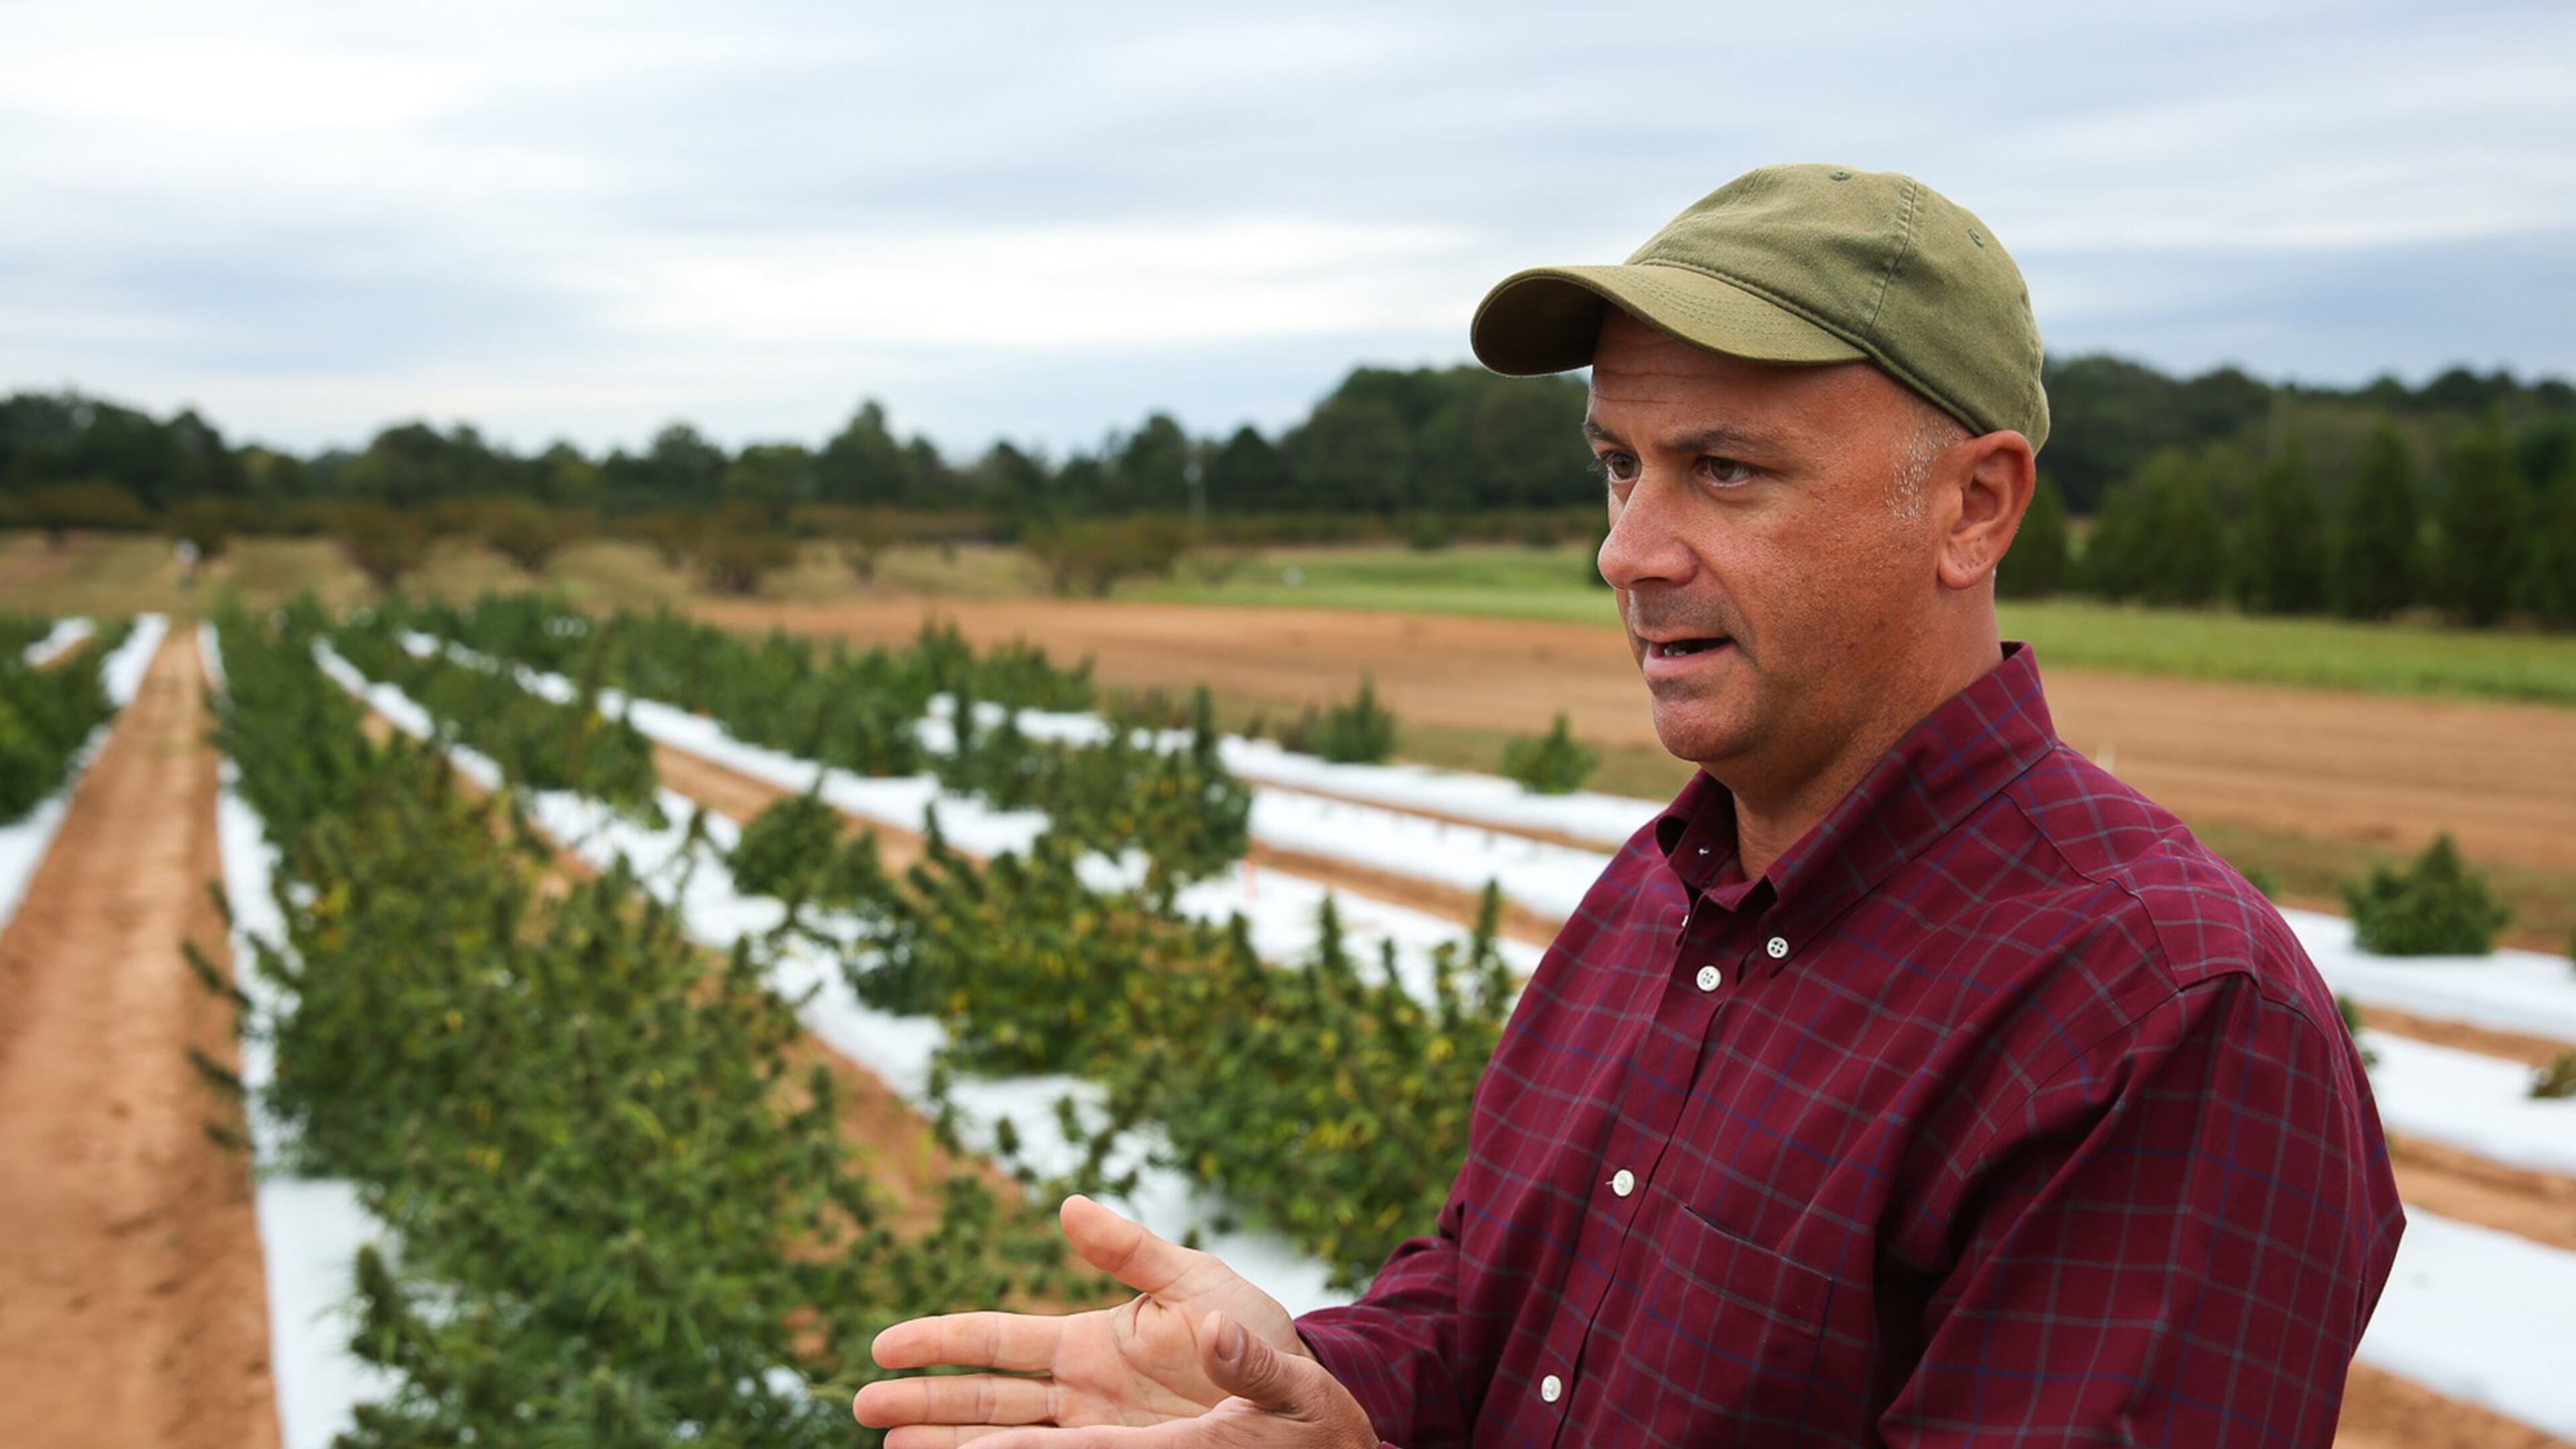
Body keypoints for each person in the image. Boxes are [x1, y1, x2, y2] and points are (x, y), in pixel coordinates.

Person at [853, 163, 2404, 1446]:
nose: (1630, 551)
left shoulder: (2164, 1017)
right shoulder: (1661, 893)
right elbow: (1495, 1313)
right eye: (1619, 468)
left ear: (1973, 505)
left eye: (1725, 471)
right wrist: (1330, 1396)